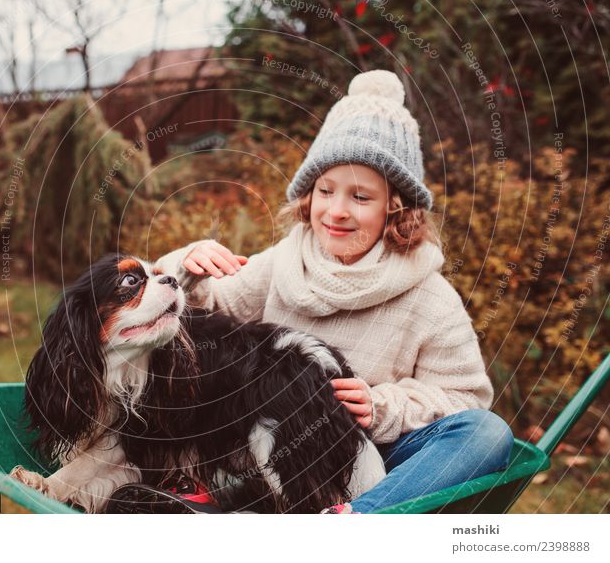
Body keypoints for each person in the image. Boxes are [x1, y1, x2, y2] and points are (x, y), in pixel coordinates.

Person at [154, 69, 514, 514]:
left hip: (370, 460)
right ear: (309, 194)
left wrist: (383, 405)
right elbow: (205, 317)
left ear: (395, 208)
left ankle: (348, 525)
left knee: (486, 433)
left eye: (361, 197)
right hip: (269, 448)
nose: (337, 212)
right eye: (326, 190)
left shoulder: (429, 296)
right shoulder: (285, 262)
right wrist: (189, 270)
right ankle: (222, 502)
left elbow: (465, 398)